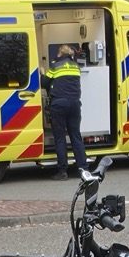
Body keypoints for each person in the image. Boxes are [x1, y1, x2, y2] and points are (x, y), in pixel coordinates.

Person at [42, 44, 88, 179]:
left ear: (60, 54)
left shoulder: (55, 66)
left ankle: (62, 171)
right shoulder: (75, 67)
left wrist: (42, 73)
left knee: (60, 138)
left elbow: (44, 82)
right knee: (75, 136)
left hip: (59, 104)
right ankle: (83, 169)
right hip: (74, 104)